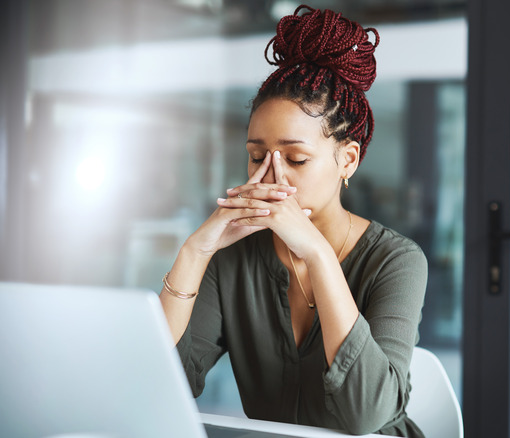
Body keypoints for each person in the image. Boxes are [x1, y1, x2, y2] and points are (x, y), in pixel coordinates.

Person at [158, 5, 428, 437]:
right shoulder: (233, 258)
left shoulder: (396, 260)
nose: (270, 176)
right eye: (256, 156)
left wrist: (318, 254)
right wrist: (195, 252)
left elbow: (368, 415)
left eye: (297, 158)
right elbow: (164, 383)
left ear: (348, 160)